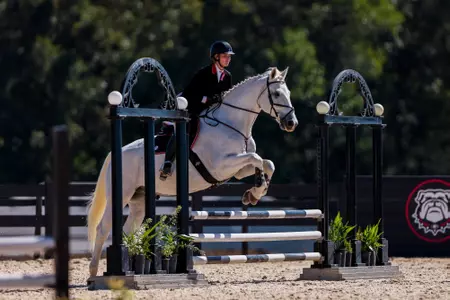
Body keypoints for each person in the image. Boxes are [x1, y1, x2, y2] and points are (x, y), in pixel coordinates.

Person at [159, 40, 235, 180]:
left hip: (209, 111)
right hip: (190, 106)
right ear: (216, 57)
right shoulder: (204, 73)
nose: (228, 59)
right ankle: (167, 163)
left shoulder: (227, 76)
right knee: (186, 126)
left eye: (229, 56)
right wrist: (206, 99)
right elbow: (189, 94)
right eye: (225, 56)